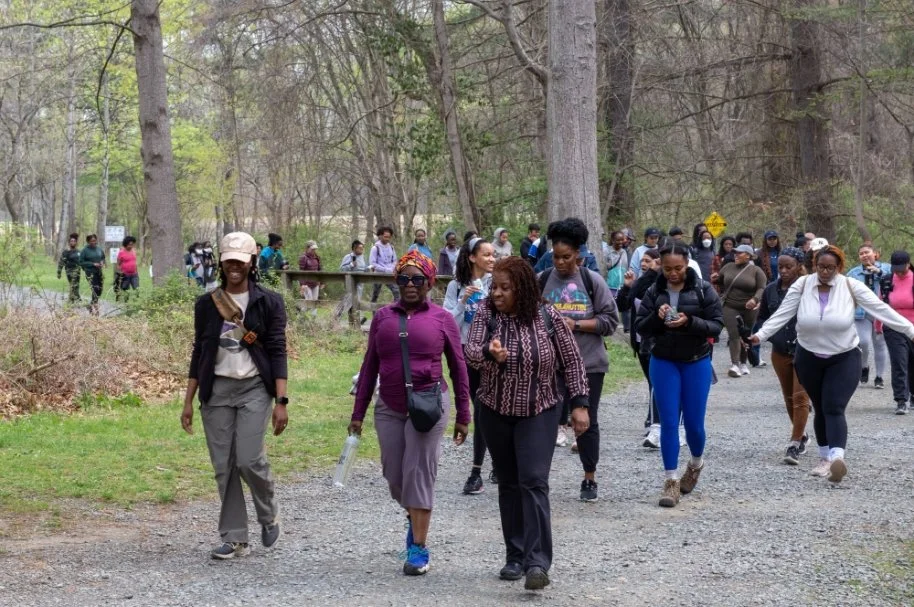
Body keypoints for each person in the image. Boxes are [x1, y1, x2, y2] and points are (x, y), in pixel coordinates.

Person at [464, 256, 589, 590]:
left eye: (506, 288)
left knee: (533, 480)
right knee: (508, 482)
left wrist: (580, 404)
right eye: (495, 287)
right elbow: (471, 352)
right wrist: (491, 355)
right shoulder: (485, 315)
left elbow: (573, 362)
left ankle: (537, 563)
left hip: (539, 409)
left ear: (522, 288)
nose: (498, 294)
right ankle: (515, 556)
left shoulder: (548, 318)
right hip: (495, 410)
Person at [348, 251, 471, 576]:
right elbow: (369, 365)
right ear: (396, 281)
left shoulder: (442, 318)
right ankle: (413, 515)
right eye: (404, 278)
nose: (411, 285)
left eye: (418, 279)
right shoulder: (383, 317)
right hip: (389, 405)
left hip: (429, 405)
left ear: (429, 282)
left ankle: (418, 546)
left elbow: (458, 367)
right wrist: (358, 413)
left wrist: (463, 413)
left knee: (418, 473)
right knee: (394, 474)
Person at [751, 245, 914, 482]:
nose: (825, 272)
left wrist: (910, 331)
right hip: (808, 356)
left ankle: (837, 458)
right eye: (820, 267)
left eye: (830, 268)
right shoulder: (803, 285)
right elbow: (783, 313)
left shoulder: (850, 286)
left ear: (839, 267)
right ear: (814, 265)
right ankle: (824, 457)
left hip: (844, 356)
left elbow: (881, 309)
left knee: (834, 406)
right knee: (819, 405)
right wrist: (760, 335)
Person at [181, 231, 288, 560]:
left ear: (252, 262)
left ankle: (268, 512)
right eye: (229, 261)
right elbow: (200, 351)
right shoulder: (207, 304)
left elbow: (277, 350)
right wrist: (188, 399)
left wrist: (281, 402)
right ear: (222, 264)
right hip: (217, 391)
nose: (234, 267)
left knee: (248, 459)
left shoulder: (268, 302)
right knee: (224, 466)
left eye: (241, 262)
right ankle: (234, 537)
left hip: (255, 387)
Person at [634, 243, 723, 508]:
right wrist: (656, 317)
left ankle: (695, 464)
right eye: (667, 268)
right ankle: (671, 481)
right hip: (663, 361)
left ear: (687, 264)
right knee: (669, 423)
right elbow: (640, 326)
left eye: (678, 268)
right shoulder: (653, 290)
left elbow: (717, 326)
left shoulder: (703, 289)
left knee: (694, 424)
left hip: (696, 361)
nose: (672, 273)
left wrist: (690, 322)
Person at [539, 218, 619, 501]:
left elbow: (610, 321)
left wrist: (576, 324)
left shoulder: (591, 281)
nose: (560, 263)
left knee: (585, 421)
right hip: (550, 366)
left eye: (566, 257)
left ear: (579, 256)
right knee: (545, 421)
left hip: (588, 363)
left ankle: (589, 477)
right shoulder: (542, 280)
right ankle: (540, 478)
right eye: (556, 257)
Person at [443, 237, 496, 495]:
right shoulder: (455, 286)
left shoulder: (496, 283)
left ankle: (480, 470)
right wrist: (463, 301)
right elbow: (447, 324)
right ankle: (484, 467)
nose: (491, 259)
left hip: (490, 353)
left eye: (493, 254)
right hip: (463, 353)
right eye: (486, 254)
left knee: (488, 410)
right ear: (472, 257)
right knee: (478, 408)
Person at [757, 247, 811, 464]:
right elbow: (763, 318)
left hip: (804, 350)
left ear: (799, 266)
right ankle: (802, 434)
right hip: (780, 351)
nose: (784, 271)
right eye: (780, 267)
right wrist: (765, 336)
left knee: (800, 397)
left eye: (789, 266)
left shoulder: (808, 288)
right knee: (789, 396)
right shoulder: (771, 290)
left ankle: (794, 443)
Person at [616, 248, 665, 447]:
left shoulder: (659, 283)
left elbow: (651, 298)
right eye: (643, 261)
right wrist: (627, 287)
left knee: (657, 382)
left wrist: (652, 274)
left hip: (656, 341)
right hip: (640, 341)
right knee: (651, 382)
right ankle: (652, 419)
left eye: (649, 261)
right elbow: (623, 306)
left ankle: (656, 423)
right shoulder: (640, 281)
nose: (644, 264)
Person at [713, 244, 767, 377]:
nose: (735, 255)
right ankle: (735, 365)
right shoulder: (727, 267)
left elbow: (762, 288)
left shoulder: (756, 270)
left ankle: (743, 363)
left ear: (748, 255)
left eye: (739, 253)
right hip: (730, 306)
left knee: (745, 334)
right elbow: (721, 282)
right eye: (735, 253)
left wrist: (755, 299)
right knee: (734, 334)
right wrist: (716, 279)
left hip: (749, 308)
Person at [847, 244, 890, 389]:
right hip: (861, 313)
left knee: (880, 344)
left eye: (867, 252)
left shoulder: (886, 268)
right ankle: (864, 366)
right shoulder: (854, 273)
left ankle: (879, 377)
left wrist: (878, 272)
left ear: (875, 254)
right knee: (863, 342)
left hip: (880, 312)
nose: (864, 255)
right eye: (861, 254)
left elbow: (894, 282)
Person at [881, 251, 914, 414]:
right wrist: (878, 325)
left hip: (913, 326)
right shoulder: (887, 280)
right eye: (896, 269)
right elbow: (880, 304)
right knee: (899, 362)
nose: (899, 272)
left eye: (902, 268)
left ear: (909, 264)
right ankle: (901, 400)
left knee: (912, 363)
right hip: (894, 327)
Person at [605, 230, 630, 331]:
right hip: (610, 284)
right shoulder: (606, 251)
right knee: (611, 306)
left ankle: (626, 328)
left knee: (625, 305)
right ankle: (611, 325)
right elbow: (605, 267)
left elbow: (625, 266)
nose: (620, 242)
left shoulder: (624, 252)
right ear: (612, 240)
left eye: (622, 240)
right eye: (618, 240)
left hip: (622, 283)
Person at [370, 226, 400, 303]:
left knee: (396, 291)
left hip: (390, 274)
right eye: (385, 236)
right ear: (380, 236)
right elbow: (373, 263)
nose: (387, 239)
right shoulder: (375, 248)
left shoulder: (391, 247)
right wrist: (385, 269)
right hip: (378, 274)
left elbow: (394, 260)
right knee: (375, 294)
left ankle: (397, 310)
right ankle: (374, 312)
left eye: (389, 237)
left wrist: (392, 268)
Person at [79, 234, 106, 315]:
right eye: (91, 241)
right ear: (88, 242)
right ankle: (95, 305)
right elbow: (81, 262)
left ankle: (91, 304)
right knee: (95, 288)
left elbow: (103, 257)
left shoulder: (99, 249)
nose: (93, 242)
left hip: (99, 272)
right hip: (90, 272)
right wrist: (93, 264)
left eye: (94, 240)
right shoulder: (85, 250)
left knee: (100, 290)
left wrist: (102, 262)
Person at [57, 232, 82, 304]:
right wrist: (59, 272)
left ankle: (72, 300)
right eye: (71, 241)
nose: (73, 242)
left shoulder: (79, 252)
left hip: (77, 271)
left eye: (74, 241)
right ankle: (77, 298)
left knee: (76, 285)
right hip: (69, 271)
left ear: (76, 242)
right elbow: (61, 262)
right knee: (73, 284)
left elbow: (81, 262)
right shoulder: (66, 252)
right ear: (69, 242)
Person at [115, 236, 140, 302]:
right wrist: (119, 272)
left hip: (134, 274)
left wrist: (137, 272)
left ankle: (137, 302)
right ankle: (126, 303)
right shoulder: (121, 252)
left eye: (132, 244)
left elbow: (135, 262)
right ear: (125, 244)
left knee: (137, 289)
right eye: (129, 245)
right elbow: (118, 264)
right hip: (125, 275)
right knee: (126, 290)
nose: (131, 246)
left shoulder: (133, 251)